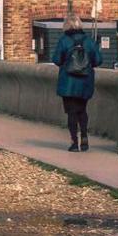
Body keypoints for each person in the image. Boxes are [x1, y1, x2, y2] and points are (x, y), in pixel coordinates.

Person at [52, 14, 97, 152]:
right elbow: (98, 60)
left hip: (68, 83)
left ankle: (74, 142)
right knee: (82, 110)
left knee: (71, 112)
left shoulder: (64, 41)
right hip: (85, 82)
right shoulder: (89, 41)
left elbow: (57, 59)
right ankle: (84, 137)